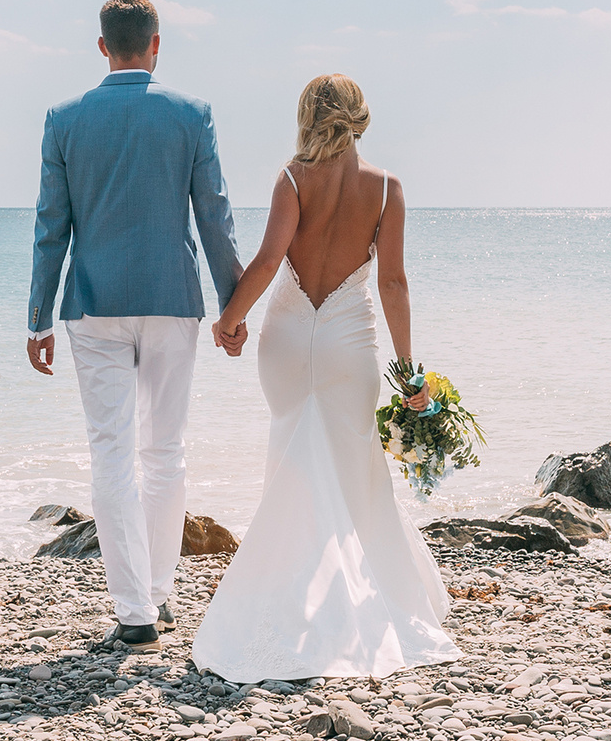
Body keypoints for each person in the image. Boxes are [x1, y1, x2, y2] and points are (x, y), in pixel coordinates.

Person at [190, 74, 460, 683]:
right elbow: (392, 283)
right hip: (349, 347)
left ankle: (287, 602)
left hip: (286, 342)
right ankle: (361, 605)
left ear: (307, 117)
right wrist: (410, 371)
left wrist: (230, 320)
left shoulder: (291, 179)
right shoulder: (387, 190)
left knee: (294, 462)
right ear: (361, 118)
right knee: (353, 470)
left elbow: (266, 262)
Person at [27, 0, 241, 652]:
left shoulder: (64, 119)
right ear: (155, 45)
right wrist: (233, 305)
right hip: (173, 298)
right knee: (165, 451)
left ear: (102, 46)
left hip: (92, 304)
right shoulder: (191, 114)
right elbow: (215, 217)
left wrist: (37, 317)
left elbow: (50, 227)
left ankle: (135, 611)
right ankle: (160, 591)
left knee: (112, 451)